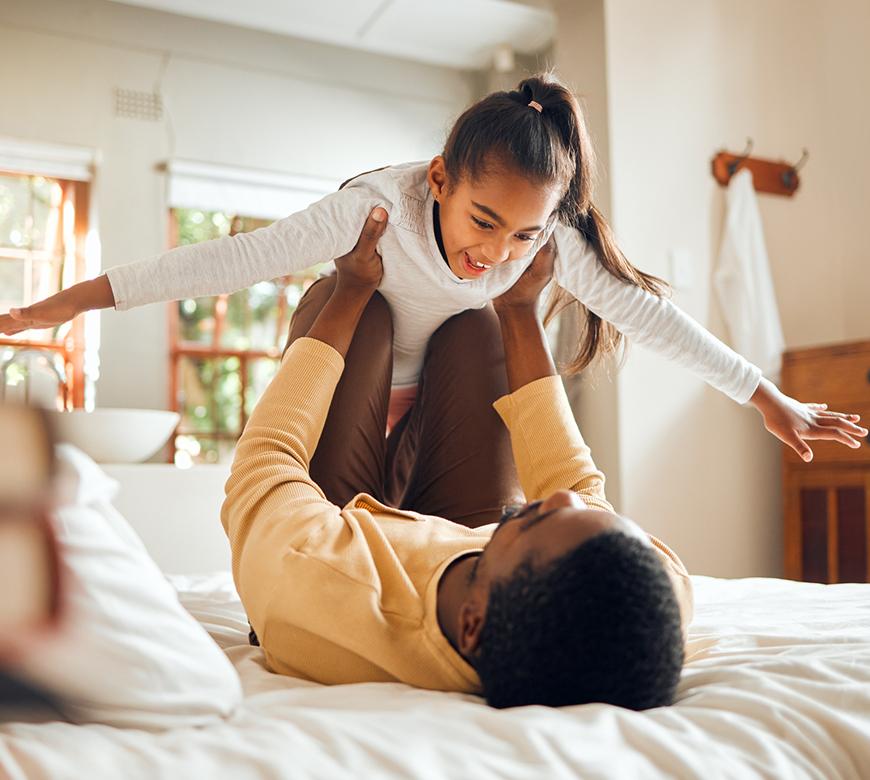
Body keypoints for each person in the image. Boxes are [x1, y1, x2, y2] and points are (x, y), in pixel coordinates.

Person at [1, 73, 864, 457]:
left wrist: (766, 394)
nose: (495, 251)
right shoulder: (376, 209)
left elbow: (650, 316)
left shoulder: (545, 243)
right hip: (348, 380)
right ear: (441, 180)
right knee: (367, 308)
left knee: (486, 329)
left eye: (523, 236)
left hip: (429, 414)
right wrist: (71, 305)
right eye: (484, 221)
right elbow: (227, 261)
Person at [221, 207, 691, 710]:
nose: (560, 497)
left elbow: (266, 461)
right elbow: (576, 485)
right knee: (477, 318)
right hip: (462, 538)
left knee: (360, 312)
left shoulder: (316, 575)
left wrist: (350, 291)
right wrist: (520, 311)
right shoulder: (643, 610)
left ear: (472, 624)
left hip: (337, 525)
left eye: (537, 520)